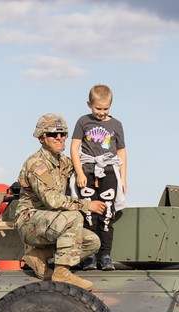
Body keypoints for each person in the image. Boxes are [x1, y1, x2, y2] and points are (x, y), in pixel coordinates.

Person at [15, 113, 106, 291]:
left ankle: (39, 255)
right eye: (52, 134)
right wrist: (87, 205)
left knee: (92, 241)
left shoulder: (64, 161)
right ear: (42, 138)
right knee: (73, 217)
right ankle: (62, 272)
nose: (59, 137)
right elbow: (52, 200)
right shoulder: (37, 164)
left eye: (62, 134)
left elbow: (84, 168)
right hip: (30, 221)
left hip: (52, 222)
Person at [69, 84, 127, 272]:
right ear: (89, 104)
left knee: (107, 214)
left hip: (109, 172)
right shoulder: (83, 121)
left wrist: (123, 178)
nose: (101, 113)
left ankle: (105, 255)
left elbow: (121, 152)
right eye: (98, 108)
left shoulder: (116, 124)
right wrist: (79, 172)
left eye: (105, 109)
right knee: (88, 214)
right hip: (87, 170)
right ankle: (89, 255)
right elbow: (74, 148)